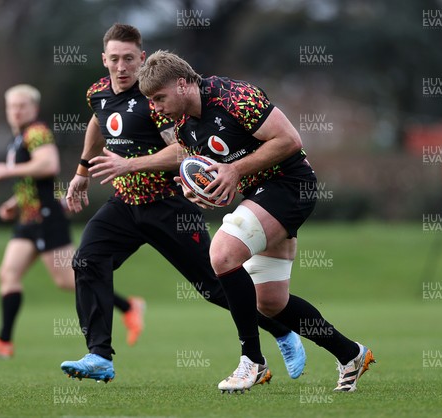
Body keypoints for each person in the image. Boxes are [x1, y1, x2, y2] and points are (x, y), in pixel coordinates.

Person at [59, 24, 306, 383]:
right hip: (125, 203)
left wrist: (130, 164)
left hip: (169, 204)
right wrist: (83, 168)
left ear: (141, 58)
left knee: (215, 286)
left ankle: (282, 330)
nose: (122, 66)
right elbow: (98, 122)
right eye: (114, 59)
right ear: (104, 59)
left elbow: (182, 150)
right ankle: (99, 355)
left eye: (129, 58)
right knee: (87, 260)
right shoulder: (97, 92)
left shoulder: (157, 100)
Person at [137, 51, 375, 393]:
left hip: (292, 186)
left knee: (221, 254)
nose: (155, 107)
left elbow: (290, 140)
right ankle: (350, 353)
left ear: (183, 83)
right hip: (262, 195)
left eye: (159, 97)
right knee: (271, 302)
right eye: (150, 101)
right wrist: (198, 191)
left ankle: (253, 361)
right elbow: (210, 177)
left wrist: (234, 170)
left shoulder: (234, 97)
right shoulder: (184, 129)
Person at [0, 84, 145, 358]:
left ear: (33, 108)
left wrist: (7, 170)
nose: (16, 111)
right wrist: (14, 203)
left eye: (22, 106)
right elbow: (36, 181)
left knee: (67, 280)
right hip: (28, 219)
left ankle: (129, 306)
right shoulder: (19, 137)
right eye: (11, 107)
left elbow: (48, 165)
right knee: (8, 273)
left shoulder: (37, 132)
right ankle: (4, 341)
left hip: (47, 218)